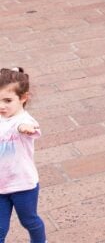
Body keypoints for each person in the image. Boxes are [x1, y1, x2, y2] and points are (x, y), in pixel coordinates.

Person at [0, 68, 46, 243]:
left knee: (29, 221)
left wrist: (24, 129)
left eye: (8, 100)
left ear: (23, 98)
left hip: (22, 184)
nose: (1, 106)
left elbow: (25, 126)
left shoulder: (24, 120)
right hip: (1, 186)